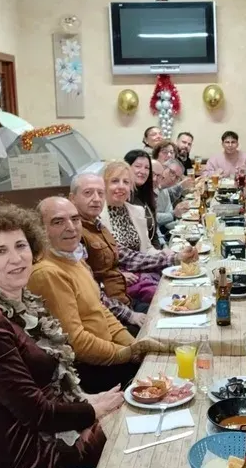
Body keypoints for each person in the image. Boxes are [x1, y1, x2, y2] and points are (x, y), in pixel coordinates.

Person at [0, 205, 123, 468]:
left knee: (144, 411)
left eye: (21, 245)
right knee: (137, 431)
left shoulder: (22, 302)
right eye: (0, 251)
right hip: (39, 458)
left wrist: (88, 400)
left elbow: (52, 387)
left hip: (60, 430)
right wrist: (94, 410)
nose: (16, 258)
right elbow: (37, 413)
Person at [29, 197, 145, 393]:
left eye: (75, 219)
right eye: (58, 222)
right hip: (86, 372)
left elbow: (101, 310)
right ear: (40, 229)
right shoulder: (47, 273)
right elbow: (76, 343)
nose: (71, 227)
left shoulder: (73, 258)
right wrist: (126, 354)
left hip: (108, 354)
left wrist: (134, 346)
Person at [99, 161, 192, 302]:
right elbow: (118, 258)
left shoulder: (137, 211)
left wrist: (164, 253)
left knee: (184, 285)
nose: (121, 186)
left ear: (131, 187)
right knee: (170, 296)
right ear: (104, 185)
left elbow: (147, 248)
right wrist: (171, 258)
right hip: (120, 285)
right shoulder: (97, 217)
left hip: (144, 272)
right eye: (115, 181)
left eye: (126, 182)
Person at [69, 173, 148, 331]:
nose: (96, 199)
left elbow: (128, 256)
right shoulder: (74, 235)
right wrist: (130, 315)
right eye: (88, 193)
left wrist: (175, 258)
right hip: (110, 318)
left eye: (100, 193)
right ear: (72, 198)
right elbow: (92, 292)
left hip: (124, 301)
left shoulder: (98, 225)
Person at [124, 149, 161, 249]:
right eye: (138, 166)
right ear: (126, 168)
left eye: (147, 168)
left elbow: (154, 235)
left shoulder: (146, 195)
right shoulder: (123, 199)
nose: (143, 171)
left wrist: (160, 253)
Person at [157, 158, 191, 231]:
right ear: (163, 168)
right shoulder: (151, 187)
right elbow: (151, 218)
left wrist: (185, 224)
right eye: (172, 173)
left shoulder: (165, 190)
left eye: (177, 178)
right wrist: (174, 214)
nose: (173, 179)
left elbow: (169, 222)